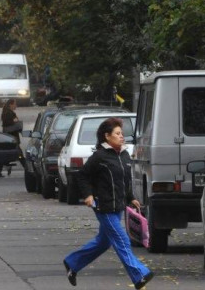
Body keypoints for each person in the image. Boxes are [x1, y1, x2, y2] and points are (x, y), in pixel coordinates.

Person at [63, 118, 154, 289]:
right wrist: (88, 195)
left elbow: (124, 181)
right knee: (122, 239)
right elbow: (83, 176)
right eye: (117, 134)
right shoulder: (99, 156)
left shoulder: (124, 155)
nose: (122, 137)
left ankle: (72, 262)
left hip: (118, 206)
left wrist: (130, 197)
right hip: (103, 206)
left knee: (103, 242)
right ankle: (139, 274)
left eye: (122, 133)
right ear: (107, 136)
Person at [1, 98, 23, 177]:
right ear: (11, 104)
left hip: (9, 137)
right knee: (19, 154)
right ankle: (27, 168)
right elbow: (10, 123)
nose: (16, 105)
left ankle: (6, 166)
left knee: (8, 154)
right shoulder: (9, 113)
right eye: (15, 104)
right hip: (13, 137)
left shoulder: (6, 112)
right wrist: (16, 122)